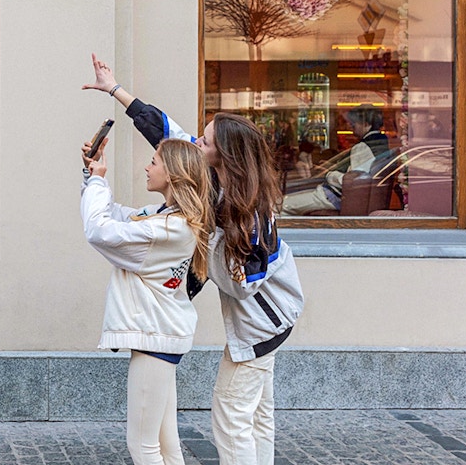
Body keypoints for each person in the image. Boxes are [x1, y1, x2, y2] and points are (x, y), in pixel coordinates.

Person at [84, 54, 304, 465]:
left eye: (204, 142)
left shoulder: (244, 210)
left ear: (226, 157)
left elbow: (243, 283)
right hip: (276, 315)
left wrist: (202, 244)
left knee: (231, 414)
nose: (194, 144)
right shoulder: (226, 185)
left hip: (264, 323)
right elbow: (165, 129)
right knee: (258, 415)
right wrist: (114, 89)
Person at [81, 134, 216, 465]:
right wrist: (93, 176)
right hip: (161, 337)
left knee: (143, 446)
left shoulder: (165, 229)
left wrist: (97, 182)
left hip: (157, 339)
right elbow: (115, 215)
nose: (146, 166)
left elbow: (99, 230)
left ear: (171, 173)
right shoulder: (167, 218)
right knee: (166, 446)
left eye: (153, 161)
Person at [279, 103, 389, 215]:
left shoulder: (363, 147)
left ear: (366, 124)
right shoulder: (382, 143)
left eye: (353, 125)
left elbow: (354, 181)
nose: (351, 128)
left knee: (280, 206)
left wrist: (329, 174)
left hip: (333, 198)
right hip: (338, 197)